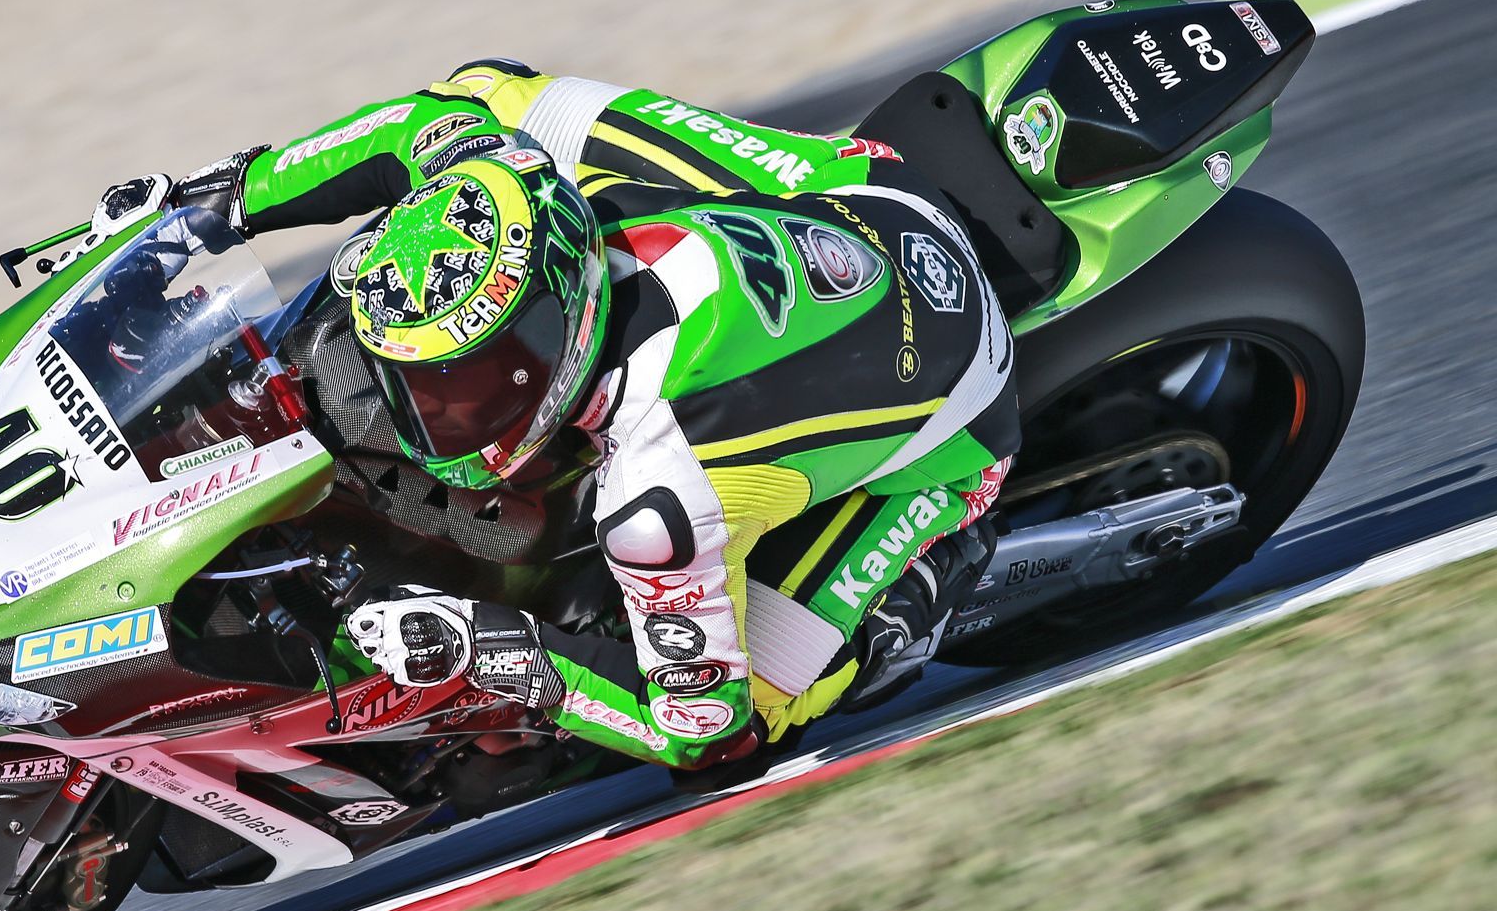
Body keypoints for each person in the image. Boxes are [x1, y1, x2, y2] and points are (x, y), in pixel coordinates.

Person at [95, 61, 1018, 789]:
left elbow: (699, 739)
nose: (433, 411)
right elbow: (419, 127)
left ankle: (918, 587)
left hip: (959, 406)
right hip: (861, 190)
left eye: (466, 381)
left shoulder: (657, 496)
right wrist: (210, 203)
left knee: (759, 707)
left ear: (558, 335)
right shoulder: (511, 180)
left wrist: (498, 651)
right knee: (489, 90)